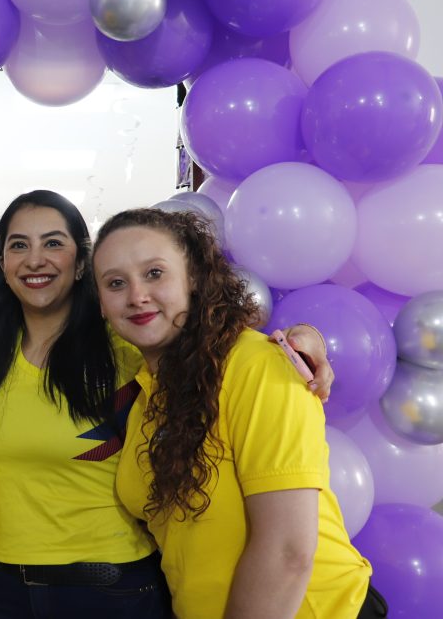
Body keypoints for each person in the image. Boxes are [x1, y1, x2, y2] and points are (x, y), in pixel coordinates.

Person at [0, 190, 332, 619]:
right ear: (2, 263)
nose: (35, 259)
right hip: (11, 585)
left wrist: (306, 339)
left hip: (111, 588)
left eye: (53, 242)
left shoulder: (128, 348)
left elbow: (221, 340)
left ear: (80, 267)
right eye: (19, 244)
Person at [93, 208, 382, 619]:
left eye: (155, 273)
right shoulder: (146, 393)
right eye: (115, 283)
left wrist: (310, 336)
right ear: (102, 305)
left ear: (193, 278)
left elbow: (287, 552)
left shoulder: (256, 365)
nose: (137, 295)